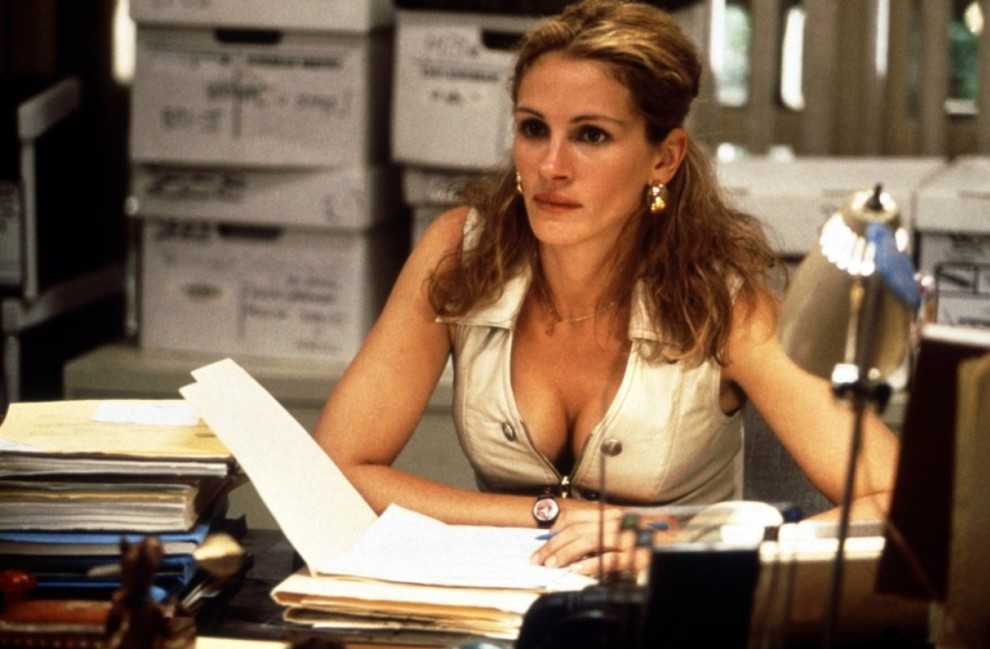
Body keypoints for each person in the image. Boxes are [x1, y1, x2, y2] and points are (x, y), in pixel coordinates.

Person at [313, 0, 899, 576]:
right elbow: (332, 470)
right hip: (500, 607)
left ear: (664, 159)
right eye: (533, 129)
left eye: (591, 135)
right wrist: (553, 516)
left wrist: (694, 546)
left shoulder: (724, 304)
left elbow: (898, 502)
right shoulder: (462, 254)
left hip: (666, 610)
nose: (551, 166)